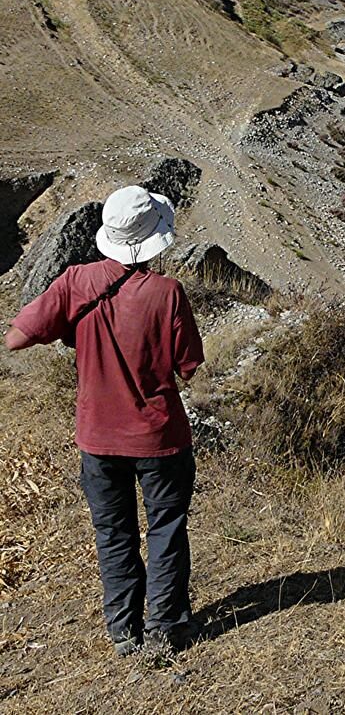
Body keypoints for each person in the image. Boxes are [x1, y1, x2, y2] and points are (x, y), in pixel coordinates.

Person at [5, 185, 204, 657]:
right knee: (166, 527)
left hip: (97, 437)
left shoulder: (76, 282)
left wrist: (71, 329)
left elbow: (15, 339)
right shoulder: (168, 293)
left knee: (113, 533)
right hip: (160, 437)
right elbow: (190, 366)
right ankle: (164, 628)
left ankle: (122, 629)